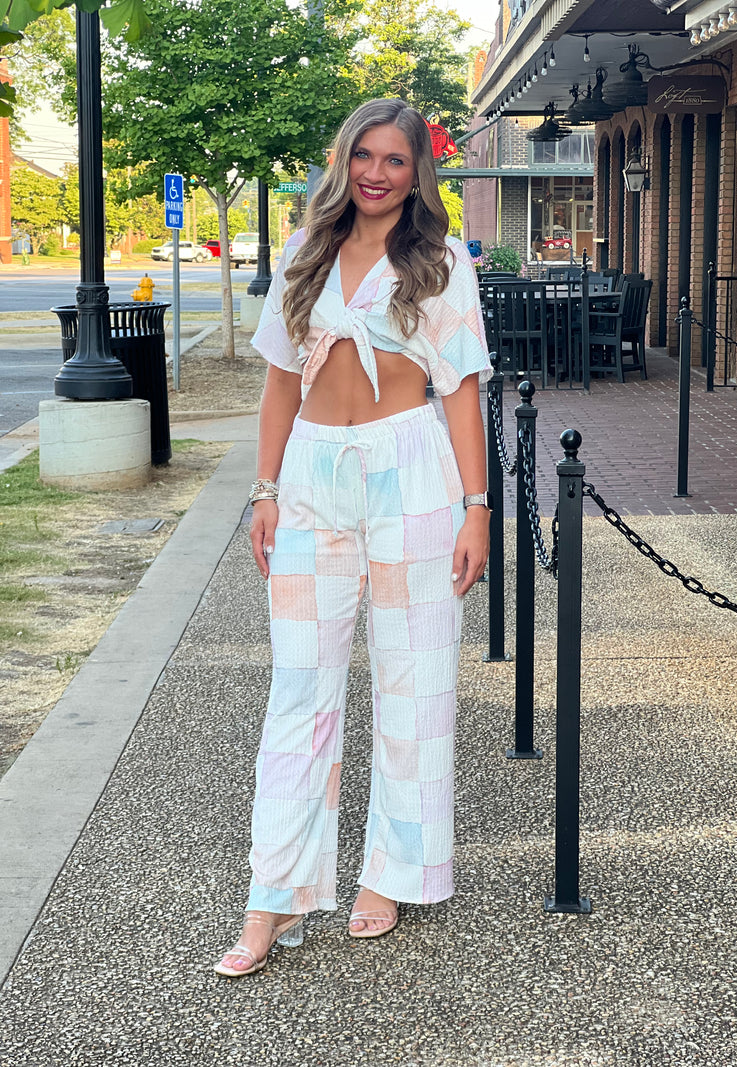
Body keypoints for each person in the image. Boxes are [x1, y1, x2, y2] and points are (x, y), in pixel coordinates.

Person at [215, 97, 492, 978]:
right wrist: (265, 490)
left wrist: (478, 507)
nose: (376, 173)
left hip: (411, 472)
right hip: (311, 476)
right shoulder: (305, 252)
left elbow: (461, 389)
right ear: (343, 162)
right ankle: (275, 894)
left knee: (415, 680)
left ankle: (393, 872)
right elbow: (278, 382)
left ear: (417, 175)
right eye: (363, 156)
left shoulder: (441, 262)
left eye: (394, 161)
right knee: (299, 689)